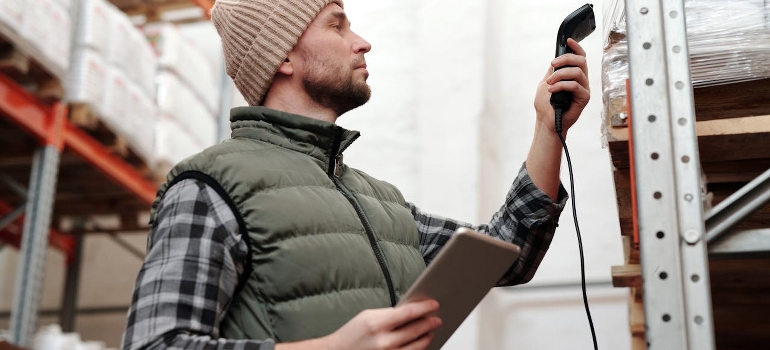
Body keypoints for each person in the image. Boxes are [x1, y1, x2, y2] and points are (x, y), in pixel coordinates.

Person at [121, 0, 590, 349]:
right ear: (282, 57)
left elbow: (510, 253)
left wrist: (549, 129)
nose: (361, 41)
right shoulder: (209, 187)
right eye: (336, 24)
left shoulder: (379, 201)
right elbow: (156, 343)